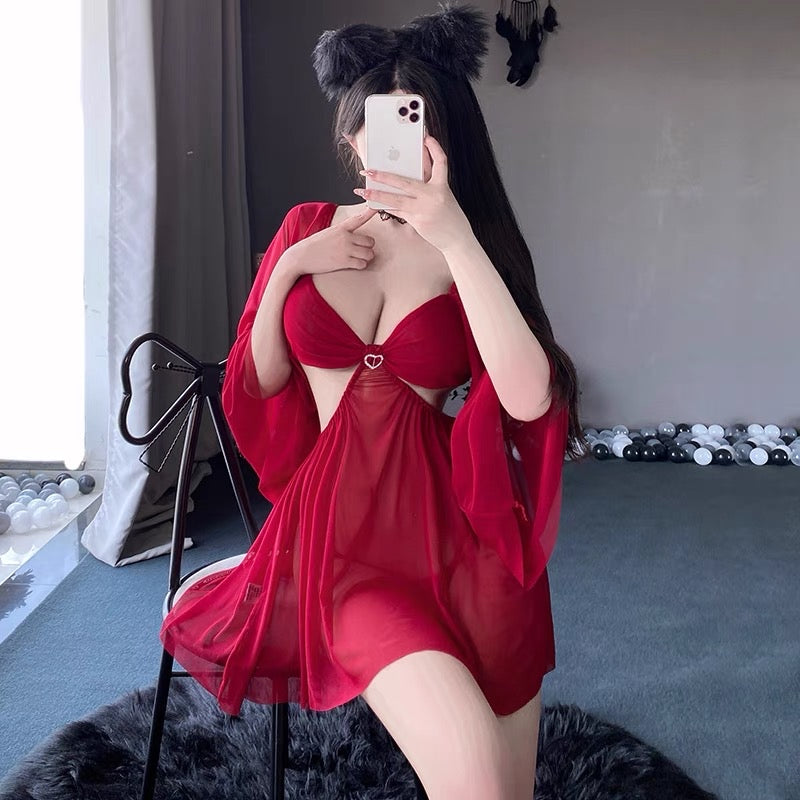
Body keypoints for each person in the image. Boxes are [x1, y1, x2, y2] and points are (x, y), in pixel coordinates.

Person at [159, 4, 587, 798]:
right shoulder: (308, 228)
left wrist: (455, 237)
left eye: (404, 124)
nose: (376, 143)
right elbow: (260, 380)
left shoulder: (471, 250)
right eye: (365, 125)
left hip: (463, 541)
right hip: (342, 549)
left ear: (443, 138)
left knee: (506, 787)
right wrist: (292, 268)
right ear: (351, 136)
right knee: (477, 777)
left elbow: (529, 400)